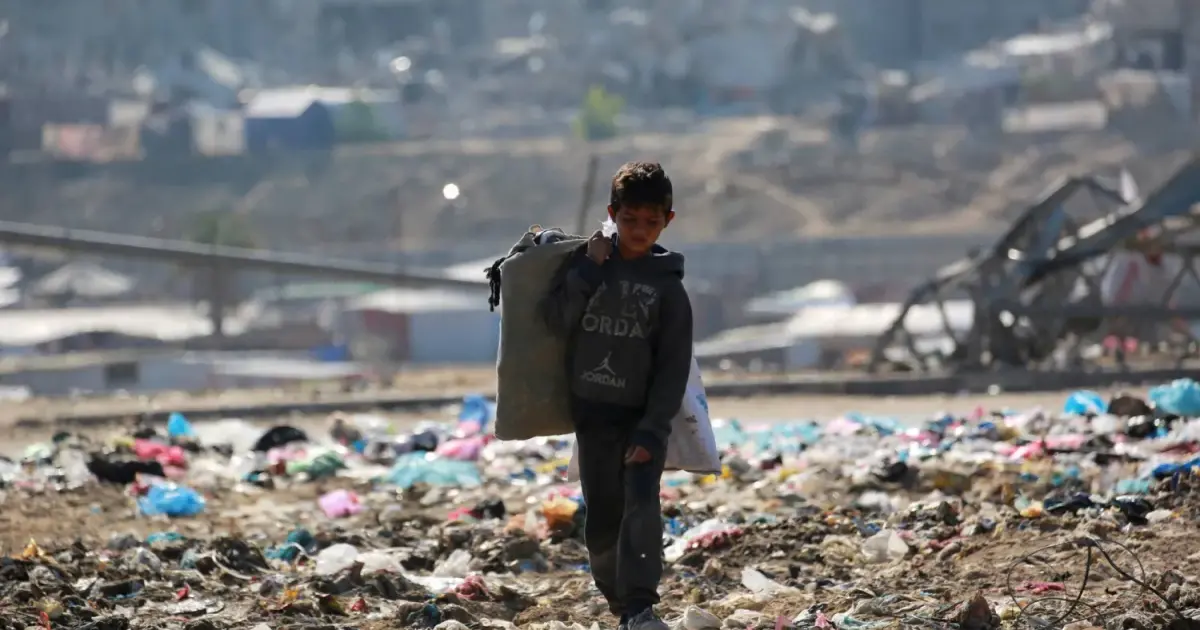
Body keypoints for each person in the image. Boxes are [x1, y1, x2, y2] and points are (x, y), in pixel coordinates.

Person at [544, 161, 693, 630]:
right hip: (592, 415)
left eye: (652, 222)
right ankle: (619, 603)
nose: (640, 231)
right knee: (604, 517)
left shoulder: (668, 289)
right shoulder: (589, 267)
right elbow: (554, 321)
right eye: (630, 220)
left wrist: (653, 428)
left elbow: (673, 369)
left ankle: (640, 605)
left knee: (642, 511)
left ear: (668, 220)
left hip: (640, 419)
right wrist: (587, 268)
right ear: (614, 213)